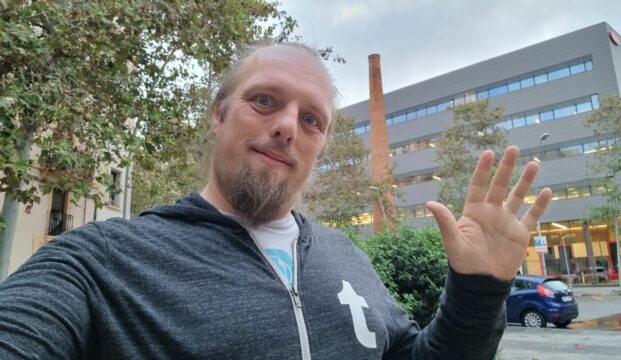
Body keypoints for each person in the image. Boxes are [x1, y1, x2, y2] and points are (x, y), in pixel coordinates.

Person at [0, 42, 551, 359]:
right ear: (217, 116)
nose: (288, 127)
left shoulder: (349, 258)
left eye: (312, 119)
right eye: (265, 100)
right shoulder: (99, 262)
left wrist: (480, 292)